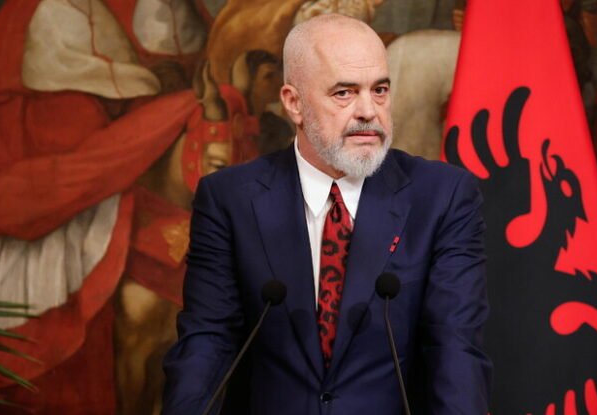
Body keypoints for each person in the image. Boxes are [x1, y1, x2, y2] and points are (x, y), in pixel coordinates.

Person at [162, 13, 491, 414]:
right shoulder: (230, 200)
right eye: (344, 93)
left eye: (380, 90)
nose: (369, 111)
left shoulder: (442, 197)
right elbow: (207, 342)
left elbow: (454, 348)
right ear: (294, 103)